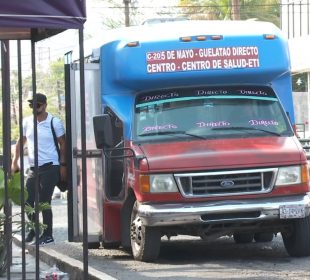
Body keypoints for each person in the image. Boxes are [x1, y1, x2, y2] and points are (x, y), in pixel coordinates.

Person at [11, 93, 66, 246]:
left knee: (44, 202)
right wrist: (15, 162)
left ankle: (48, 235)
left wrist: (63, 165)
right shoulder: (26, 122)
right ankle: (34, 229)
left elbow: (63, 143)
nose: (34, 108)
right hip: (33, 168)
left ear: (44, 105)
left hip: (51, 167)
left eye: (38, 105)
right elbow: (19, 143)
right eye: (32, 105)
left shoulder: (54, 122)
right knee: (27, 200)